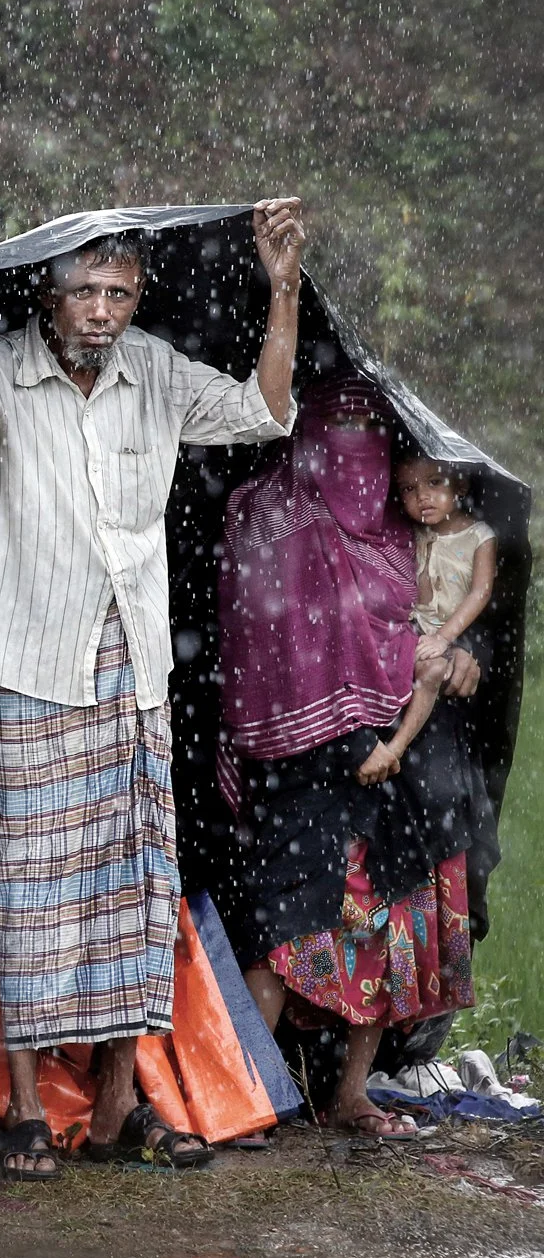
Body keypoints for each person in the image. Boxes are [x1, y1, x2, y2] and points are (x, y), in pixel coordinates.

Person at [0, 199, 308, 1179]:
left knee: (133, 885)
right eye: (84, 291)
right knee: (38, 889)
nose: (102, 310)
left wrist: (282, 287)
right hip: (36, 665)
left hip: (135, 666)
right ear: (47, 292)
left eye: (118, 292)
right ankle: (30, 1110)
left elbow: (264, 411)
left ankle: (119, 1106)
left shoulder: (152, 369)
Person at [220, 374, 479, 1138]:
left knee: (387, 922)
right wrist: (340, 719)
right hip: (299, 758)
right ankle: (244, 1096)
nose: (355, 452)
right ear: (308, 435)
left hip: (397, 758)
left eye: (371, 433)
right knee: (282, 925)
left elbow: (433, 619)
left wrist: (454, 657)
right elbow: (262, 642)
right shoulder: (268, 515)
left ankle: (351, 1093)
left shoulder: (404, 532)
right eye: (342, 430)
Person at [366, 455, 499, 783]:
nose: (422, 497)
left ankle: (397, 747)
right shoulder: (411, 533)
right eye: (408, 489)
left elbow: (480, 592)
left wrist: (444, 637)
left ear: (460, 486)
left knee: (434, 671)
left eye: (434, 483)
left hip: (447, 633)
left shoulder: (479, 535)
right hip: (410, 628)